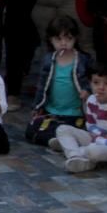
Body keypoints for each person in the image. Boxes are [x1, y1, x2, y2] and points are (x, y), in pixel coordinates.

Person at [50, 64, 107, 173]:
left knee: (93, 150)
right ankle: (75, 156)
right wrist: (103, 137)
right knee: (62, 129)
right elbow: (91, 126)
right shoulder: (91, 100)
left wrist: (98, 139)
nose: (100, 87)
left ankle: (71, 148)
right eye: (96, 82)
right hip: (104, 139)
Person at [27, 15, 92, 146]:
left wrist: (87, 91)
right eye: (58, 39)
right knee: (32, 130)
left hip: (75, 113)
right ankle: (60, 141)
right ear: (50, 40)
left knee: (80, 130)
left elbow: (93, 81)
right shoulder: (48, 60)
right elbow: (42, 86)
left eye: (68, 38)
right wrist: (37, 107)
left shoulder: (83, 60)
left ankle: (64, 140)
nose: (63, 43)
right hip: (52, 112)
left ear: (75, 38)